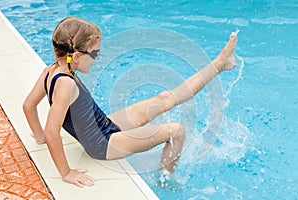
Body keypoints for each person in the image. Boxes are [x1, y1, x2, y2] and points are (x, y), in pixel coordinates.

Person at [23, 16, 238, 188]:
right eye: (95, 53)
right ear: (77, 56)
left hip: (103, 125)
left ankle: (219, 63)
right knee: (177, 131)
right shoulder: (65, 84)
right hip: (103, 144)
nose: (97, 58)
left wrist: (38, 136)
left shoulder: (50, 71)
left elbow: (28, 106)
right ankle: (166, 182)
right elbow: (53, 132)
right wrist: (66, 172)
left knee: (164, 99)